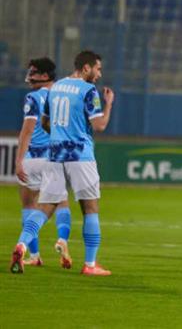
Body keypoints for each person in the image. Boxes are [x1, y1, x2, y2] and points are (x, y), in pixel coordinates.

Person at [10, 51, 114, 276]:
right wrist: (109, 105)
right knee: (90, 209)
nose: (99, 74)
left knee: (44, 208)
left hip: (55, 155)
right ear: (86, 68)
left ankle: (22, 245)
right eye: (98, 69)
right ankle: (90, 264)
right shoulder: (88, 91)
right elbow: (100, 126)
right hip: (80, 155)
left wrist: (60, 134)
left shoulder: (54, 89)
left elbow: (45, 122)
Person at [15, 58, 72, 268]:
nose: (30, 75)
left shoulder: (33, 97)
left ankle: (34, 254)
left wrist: (19, 160)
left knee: (29, 204)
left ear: (45, 75)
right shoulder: (65, 95)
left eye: (34, 72)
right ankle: (62, 240)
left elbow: (27, 130)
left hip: (34, 158)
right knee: (61, 202)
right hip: (57, 157)